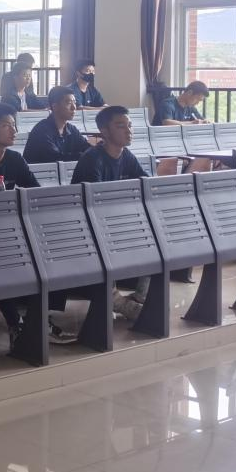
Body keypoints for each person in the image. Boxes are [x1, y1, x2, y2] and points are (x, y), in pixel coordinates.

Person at [0, 103, 77, 347]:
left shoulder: (14, 159)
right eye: (6, 125)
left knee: (45, 252)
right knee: (2, 259)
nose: (14, 130)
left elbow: (35, 193)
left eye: (14, 125)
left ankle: (36, 319)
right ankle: (17, 324)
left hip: (3, 230)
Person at [70, 105, 150, 321]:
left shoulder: (126, 155)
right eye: (121, 126)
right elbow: (94, 203)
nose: (129, 130)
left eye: (130, 125)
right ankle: (116, 301)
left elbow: (146, 183)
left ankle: (141, 297)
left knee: (155, 237)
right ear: (104, 131)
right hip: (87, 228)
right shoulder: (92, 160)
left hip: (115, 222)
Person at [22, 87, 92, 163]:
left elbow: (88, 149)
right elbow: (56, 158)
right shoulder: (41, 131)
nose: (74, 107)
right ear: (55, 106)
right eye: (69, 103)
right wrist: (85, 156)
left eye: (74, 102)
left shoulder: (71, 129)